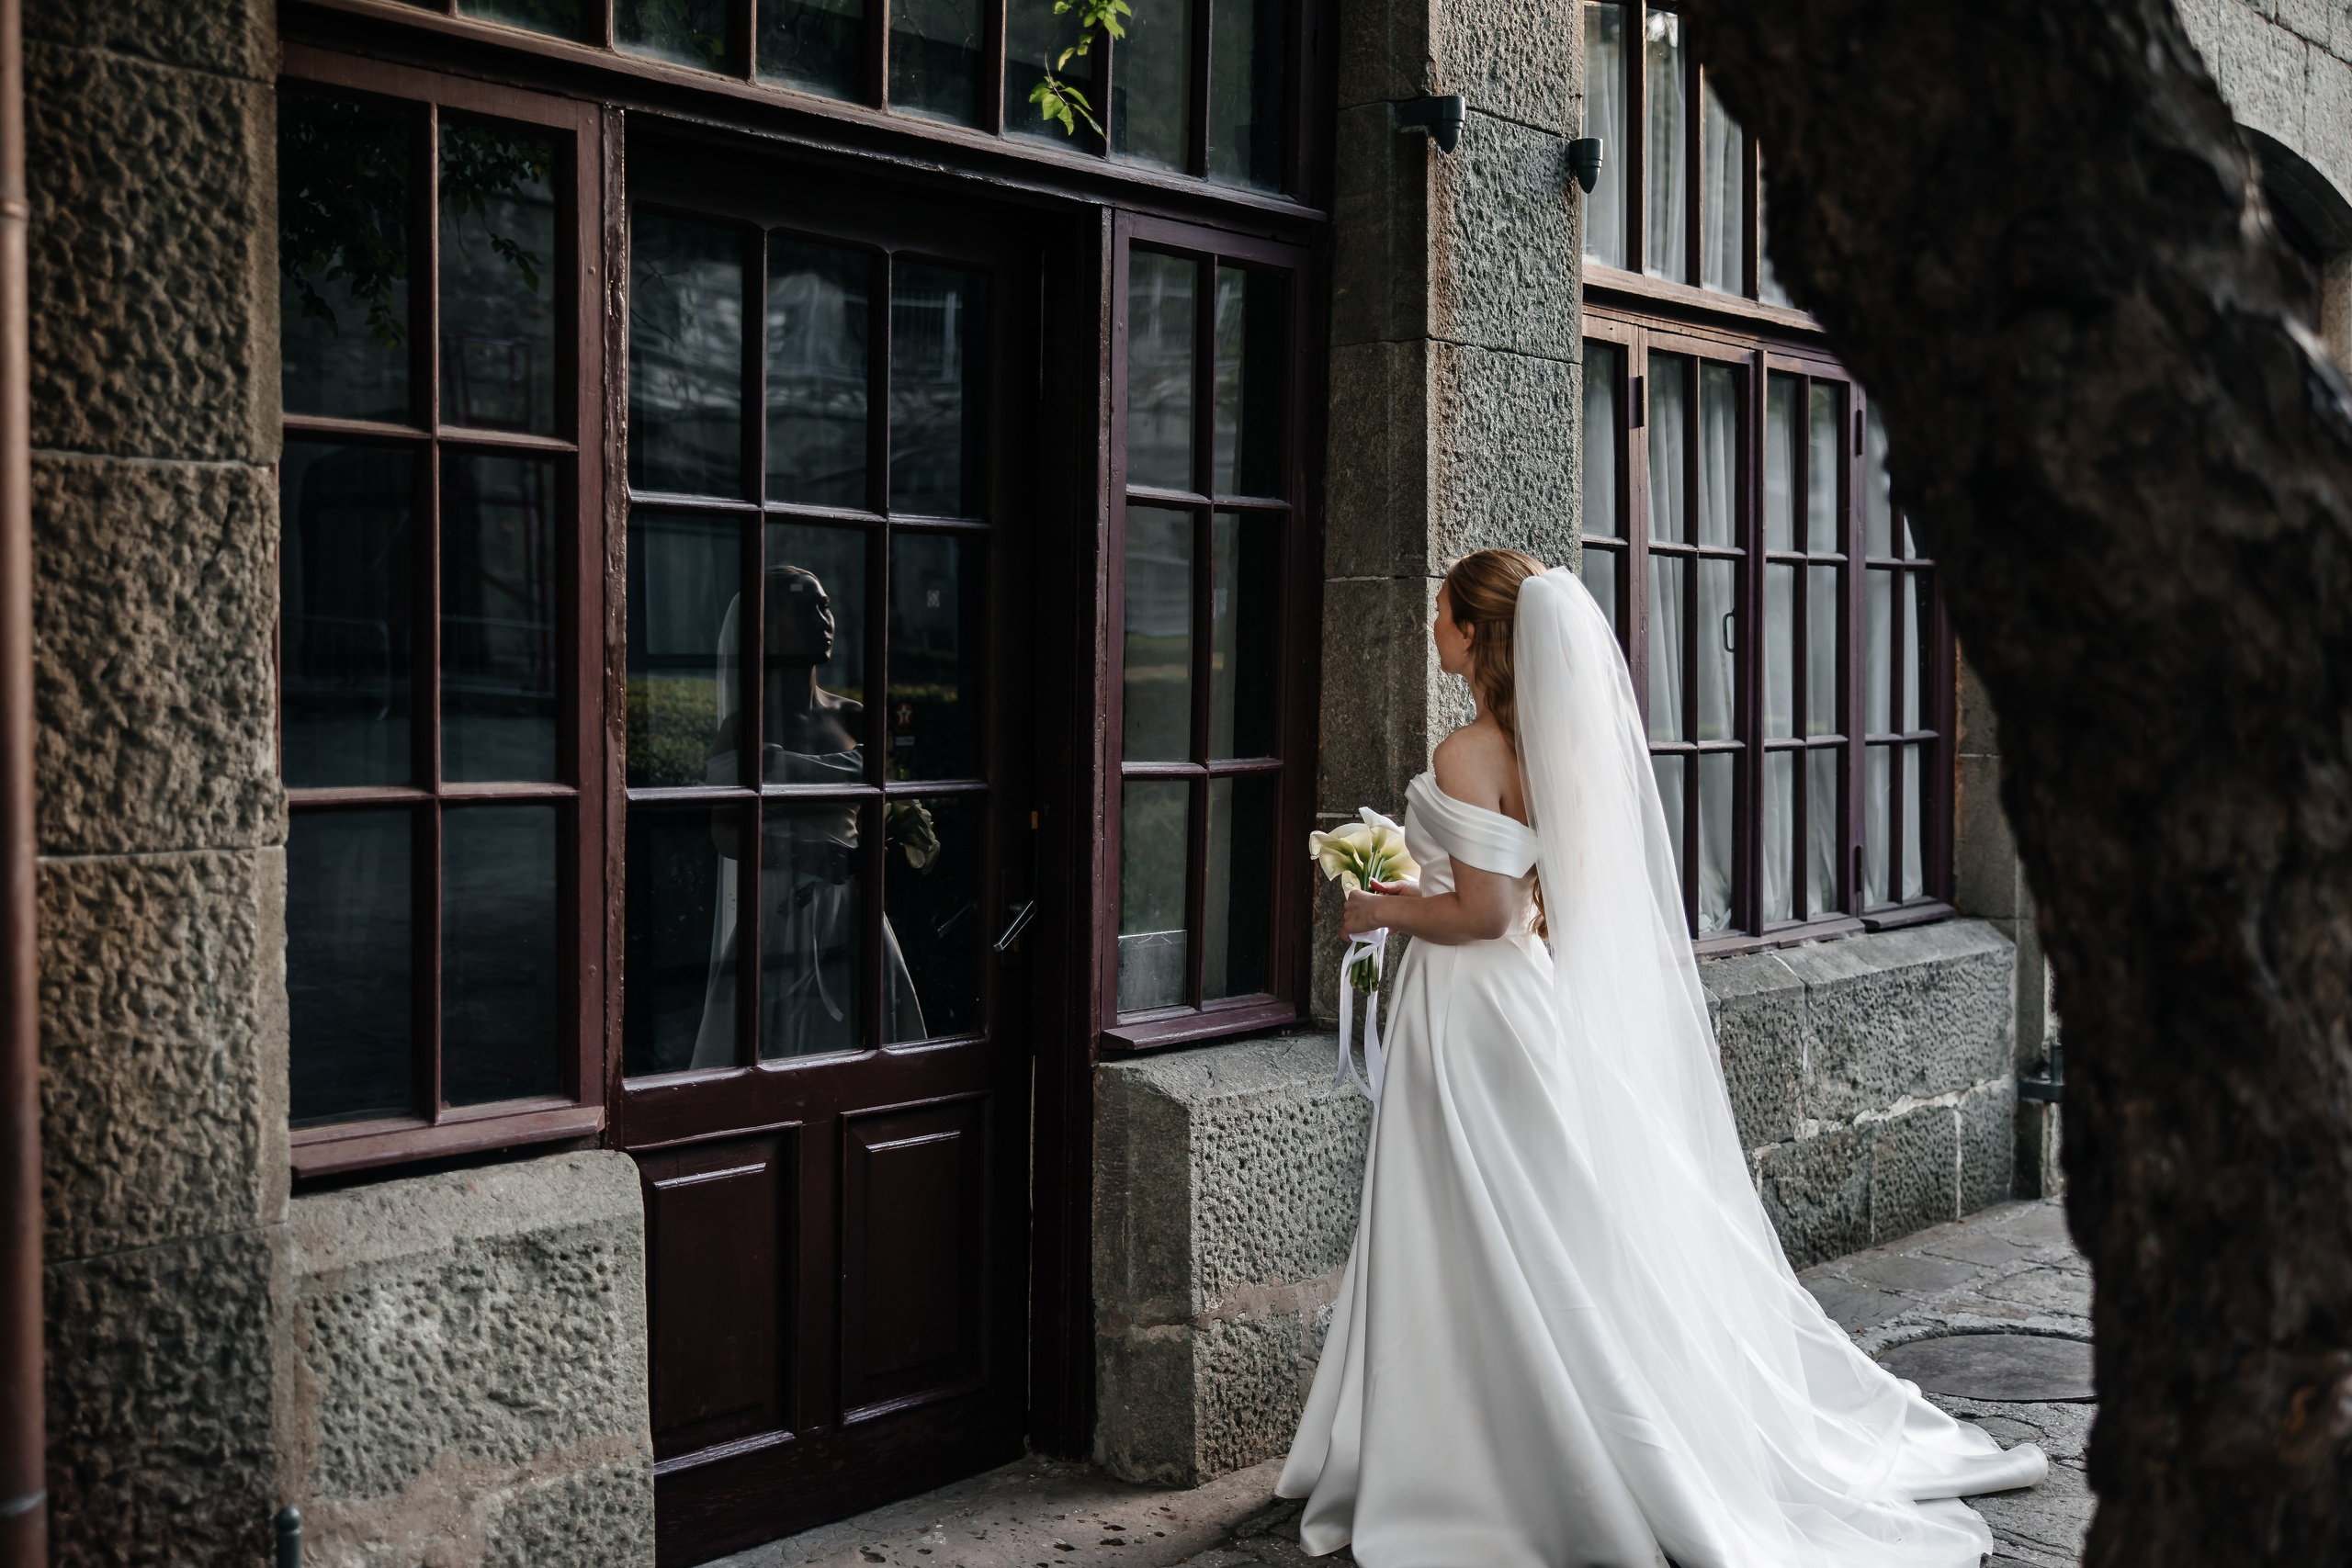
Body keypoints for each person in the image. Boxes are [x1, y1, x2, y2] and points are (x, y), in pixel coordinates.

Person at [1276, 549, 2046, 1567]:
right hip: (1514, 1004)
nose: (1431, 627)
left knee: (1481, 1215)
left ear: (1473, 632)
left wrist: (1381, 906)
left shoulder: (1469, 750)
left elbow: (1487, 910)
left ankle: (1474, 1453)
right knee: (1539, 1216)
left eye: (1440, 614)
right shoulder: (1542, 743)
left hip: (1469, 1013)